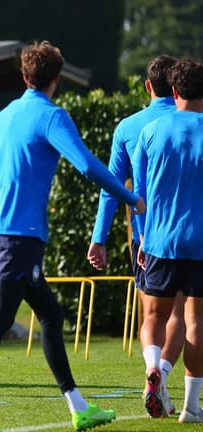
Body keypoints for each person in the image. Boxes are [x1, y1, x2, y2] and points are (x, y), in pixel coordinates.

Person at [0, 41, 145, 432]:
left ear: (24, 77)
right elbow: (88, 167)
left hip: (1, 233)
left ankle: (78, 407)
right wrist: (130, 197)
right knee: (1, 317)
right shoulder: (52, 116)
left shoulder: (3, 116)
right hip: (20, 237)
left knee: (51, 316)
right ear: (57, 80)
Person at [86, 55, 184, 416]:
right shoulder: (192, 123)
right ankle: (165, 378)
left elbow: (110, 187)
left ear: (147, 86)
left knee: (152, 316)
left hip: (143, 238)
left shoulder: (128, 127)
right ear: (177, 87)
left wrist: (99, 237)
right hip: (189, 235)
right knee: (185, 315)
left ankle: (153, 373)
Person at [132, 58, 203, 424]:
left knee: (154, 317)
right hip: (201, 243)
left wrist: (143, 236)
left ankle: (152, 368)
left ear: (173, 92)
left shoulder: (151, 130)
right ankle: (191, 407)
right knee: (195, 321)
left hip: (159, 239)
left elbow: (140, 194)